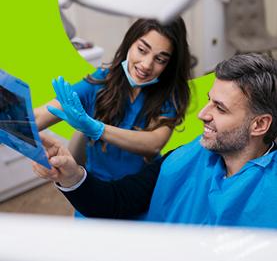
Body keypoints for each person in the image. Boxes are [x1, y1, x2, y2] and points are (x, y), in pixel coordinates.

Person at [33, 53, 277, 228]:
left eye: (220, 108)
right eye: (209, 100)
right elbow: (118, 200)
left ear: (259, 124)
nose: (203, 114)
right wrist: (71, 174)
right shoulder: (187, 157)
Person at [35, 17, 191, 182]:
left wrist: (98, 129)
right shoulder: (100, 81)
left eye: (160, 59)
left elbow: (154, 144)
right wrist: (9, 116)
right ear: (129, 43)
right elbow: (37, 117)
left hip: (141, 192)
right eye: (142, 50)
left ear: (169, 64)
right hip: (95, 190)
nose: (146, 65)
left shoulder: (169, 95)